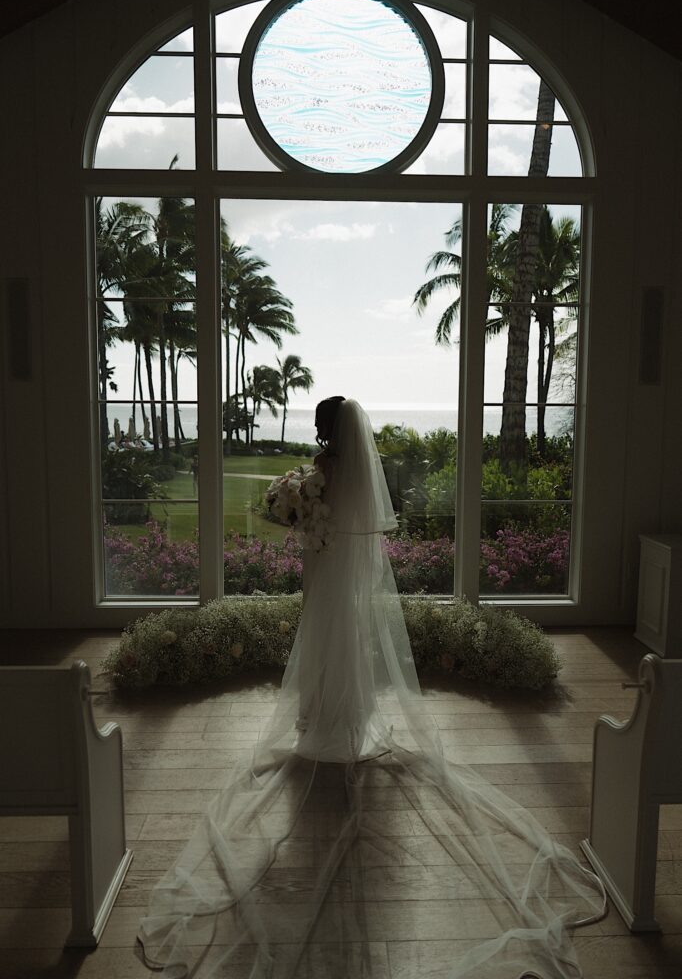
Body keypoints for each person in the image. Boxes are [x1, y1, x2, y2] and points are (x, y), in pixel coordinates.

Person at [139, 397, 605, 979]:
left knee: (324, 642)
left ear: (332, 428)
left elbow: (318, 508)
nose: (313, 428)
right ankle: (344, 717)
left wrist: (297, 507)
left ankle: (321, 718)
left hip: (327, 563)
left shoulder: (326, 466)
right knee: (343, 643)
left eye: (318, 421)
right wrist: (302, 507)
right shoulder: (343, 463)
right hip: (342, 562)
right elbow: (344, 515)